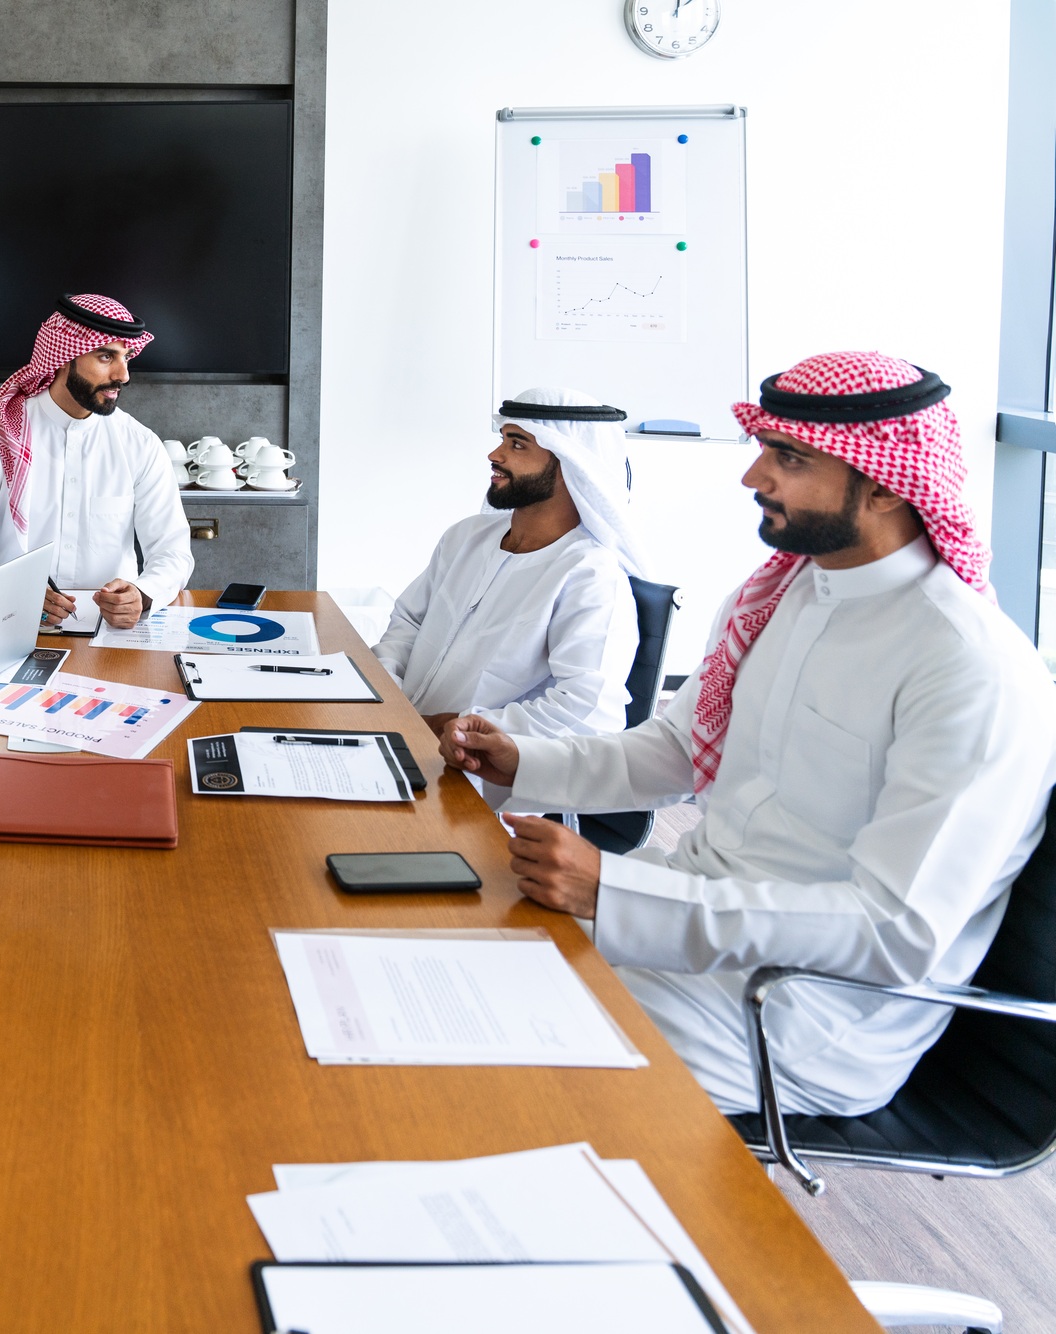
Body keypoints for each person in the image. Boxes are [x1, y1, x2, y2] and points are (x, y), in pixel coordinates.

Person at [442, 352, 1056, 1117]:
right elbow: (675, 750)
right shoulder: (782, 595)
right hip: (678, 926)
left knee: (471, 1079)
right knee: (439, 974)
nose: (753, 476)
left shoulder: (970, 670)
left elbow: (893, 931)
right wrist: (521, 758)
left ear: (887, 485)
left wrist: (621, 890)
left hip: (795, 1012)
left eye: (789, 458)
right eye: (765, 450)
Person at [374, 389, 645, 744]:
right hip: (398, 730)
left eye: (517, 445)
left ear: (570, 464)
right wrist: (384, 694)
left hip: (486, 769)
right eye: (502, 439)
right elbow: (408, 623)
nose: (494, 454)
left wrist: (456, 726)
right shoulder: (467, 536)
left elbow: (589, 710)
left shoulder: (590, 575)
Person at [0, 294, 192, 630]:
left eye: (126, 357)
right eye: (105, 357)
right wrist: (11, 593)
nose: (123, 375)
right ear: (64, 357)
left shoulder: (140, 445)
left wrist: (143, 594)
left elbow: (173, 553)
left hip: (110, 634)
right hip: (10, 625)